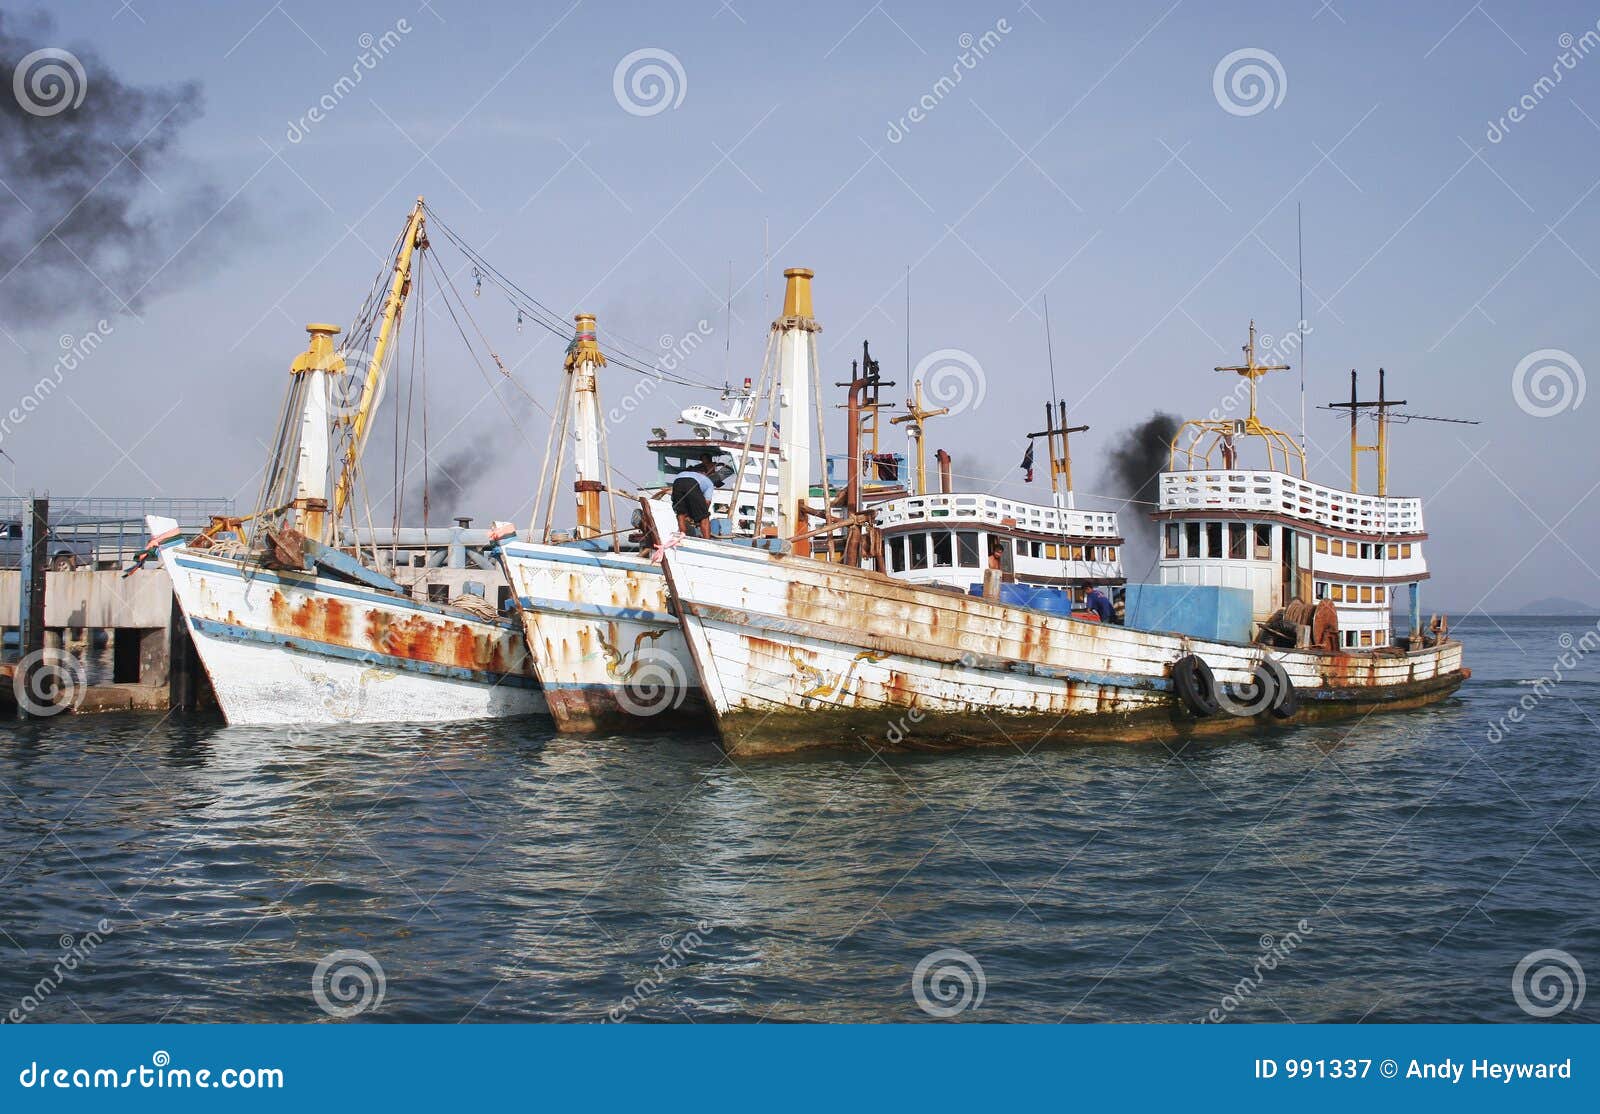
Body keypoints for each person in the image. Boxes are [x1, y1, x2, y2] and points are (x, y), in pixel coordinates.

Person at [671, 456, 717, 538]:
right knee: (704, 517)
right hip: (691, 482)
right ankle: (708, 541)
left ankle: (682, 537)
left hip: (677, 481)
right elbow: (707, 502)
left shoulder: (687, 473)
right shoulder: (708, 481)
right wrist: (699, 516)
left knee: (680, 513)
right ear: (705, 473)